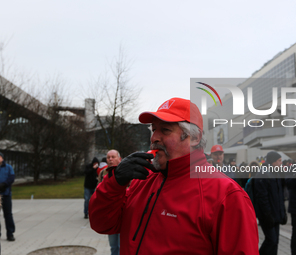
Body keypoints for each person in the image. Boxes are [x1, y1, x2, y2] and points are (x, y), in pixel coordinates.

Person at [89, 97, 259, 254]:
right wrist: (115, 183)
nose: (154, 137)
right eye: (153, 129)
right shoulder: (143, 179)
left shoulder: (226, 195)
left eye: (165, 130)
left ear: (194, 137)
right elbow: (102, 223)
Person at [254, 151, 287, 255]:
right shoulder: (263, 173)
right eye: (279, 161)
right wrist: (267, 214)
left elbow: (280, 196)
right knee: (271, 240)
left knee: (275, 241)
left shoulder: (275, 172)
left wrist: (283, 213)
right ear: (272, 161)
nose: (281, 163)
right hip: (267, 215)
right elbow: (262, 197)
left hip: (276, 213)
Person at [101, 150, 122, 255]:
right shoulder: (103, 173)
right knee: (113, 246)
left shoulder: (125, 172)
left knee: (122, 245)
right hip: (110, 215)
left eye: (113, 157)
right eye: (108, 157)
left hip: (123, 213)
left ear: (119, 159)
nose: (110, 159)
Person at [0, 152, 15, 241]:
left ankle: (10, 233)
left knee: (8, 214)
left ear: (2, 158)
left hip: (6, 194)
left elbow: (12, 178)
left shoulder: (8, 167)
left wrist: (4, 184)